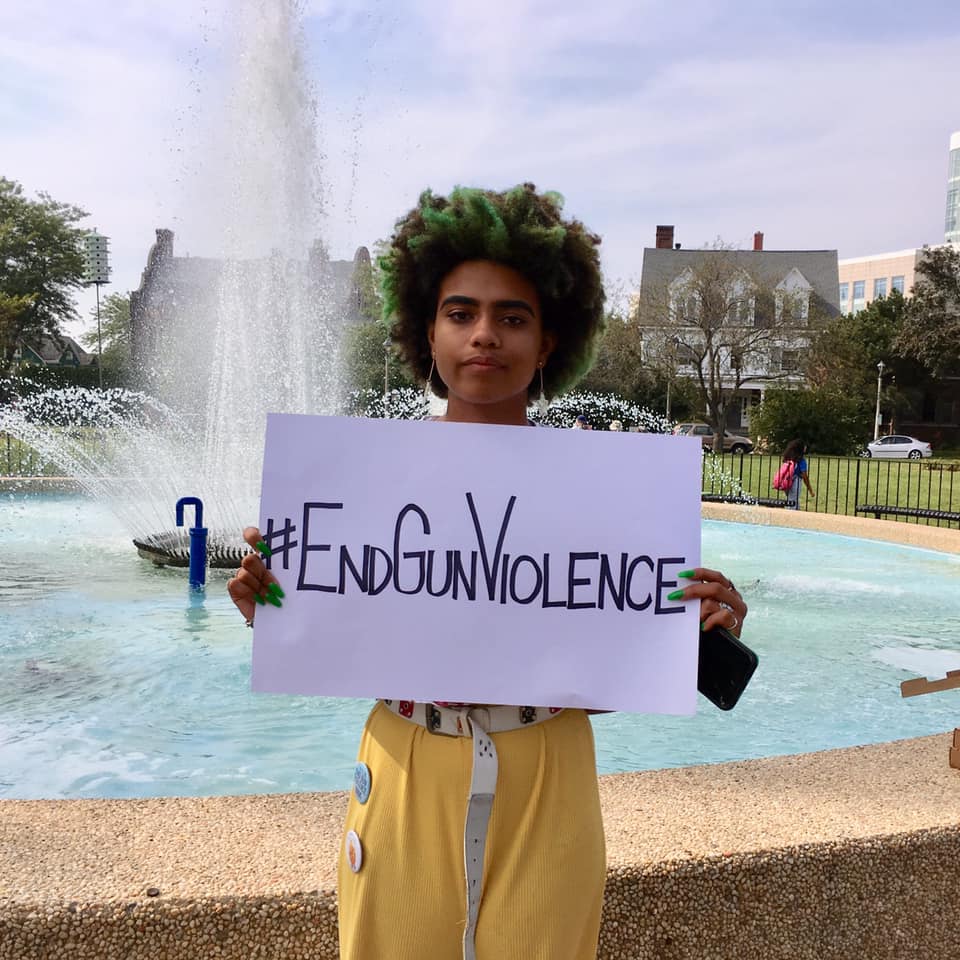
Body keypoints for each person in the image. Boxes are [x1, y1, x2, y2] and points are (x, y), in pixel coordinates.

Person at [227, 184, 748, 960]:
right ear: (426, 333)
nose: (484, 335)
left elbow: (589, 663)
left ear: (548, 344)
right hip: (405, 758)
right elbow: (349, 627)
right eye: (460, 313)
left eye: (513, 316)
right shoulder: (358, 483)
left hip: (549, 768)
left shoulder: (607, 493)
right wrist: (275, 605)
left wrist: (691, 630)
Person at [781, 438, 815, 509]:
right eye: (804, 446)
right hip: (795, 482)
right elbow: (804, 476)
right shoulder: (801, 460)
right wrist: (810, 490)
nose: (805, 447)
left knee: (790, 500)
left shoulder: (788, 458)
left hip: (786, 482)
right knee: (793, 503)